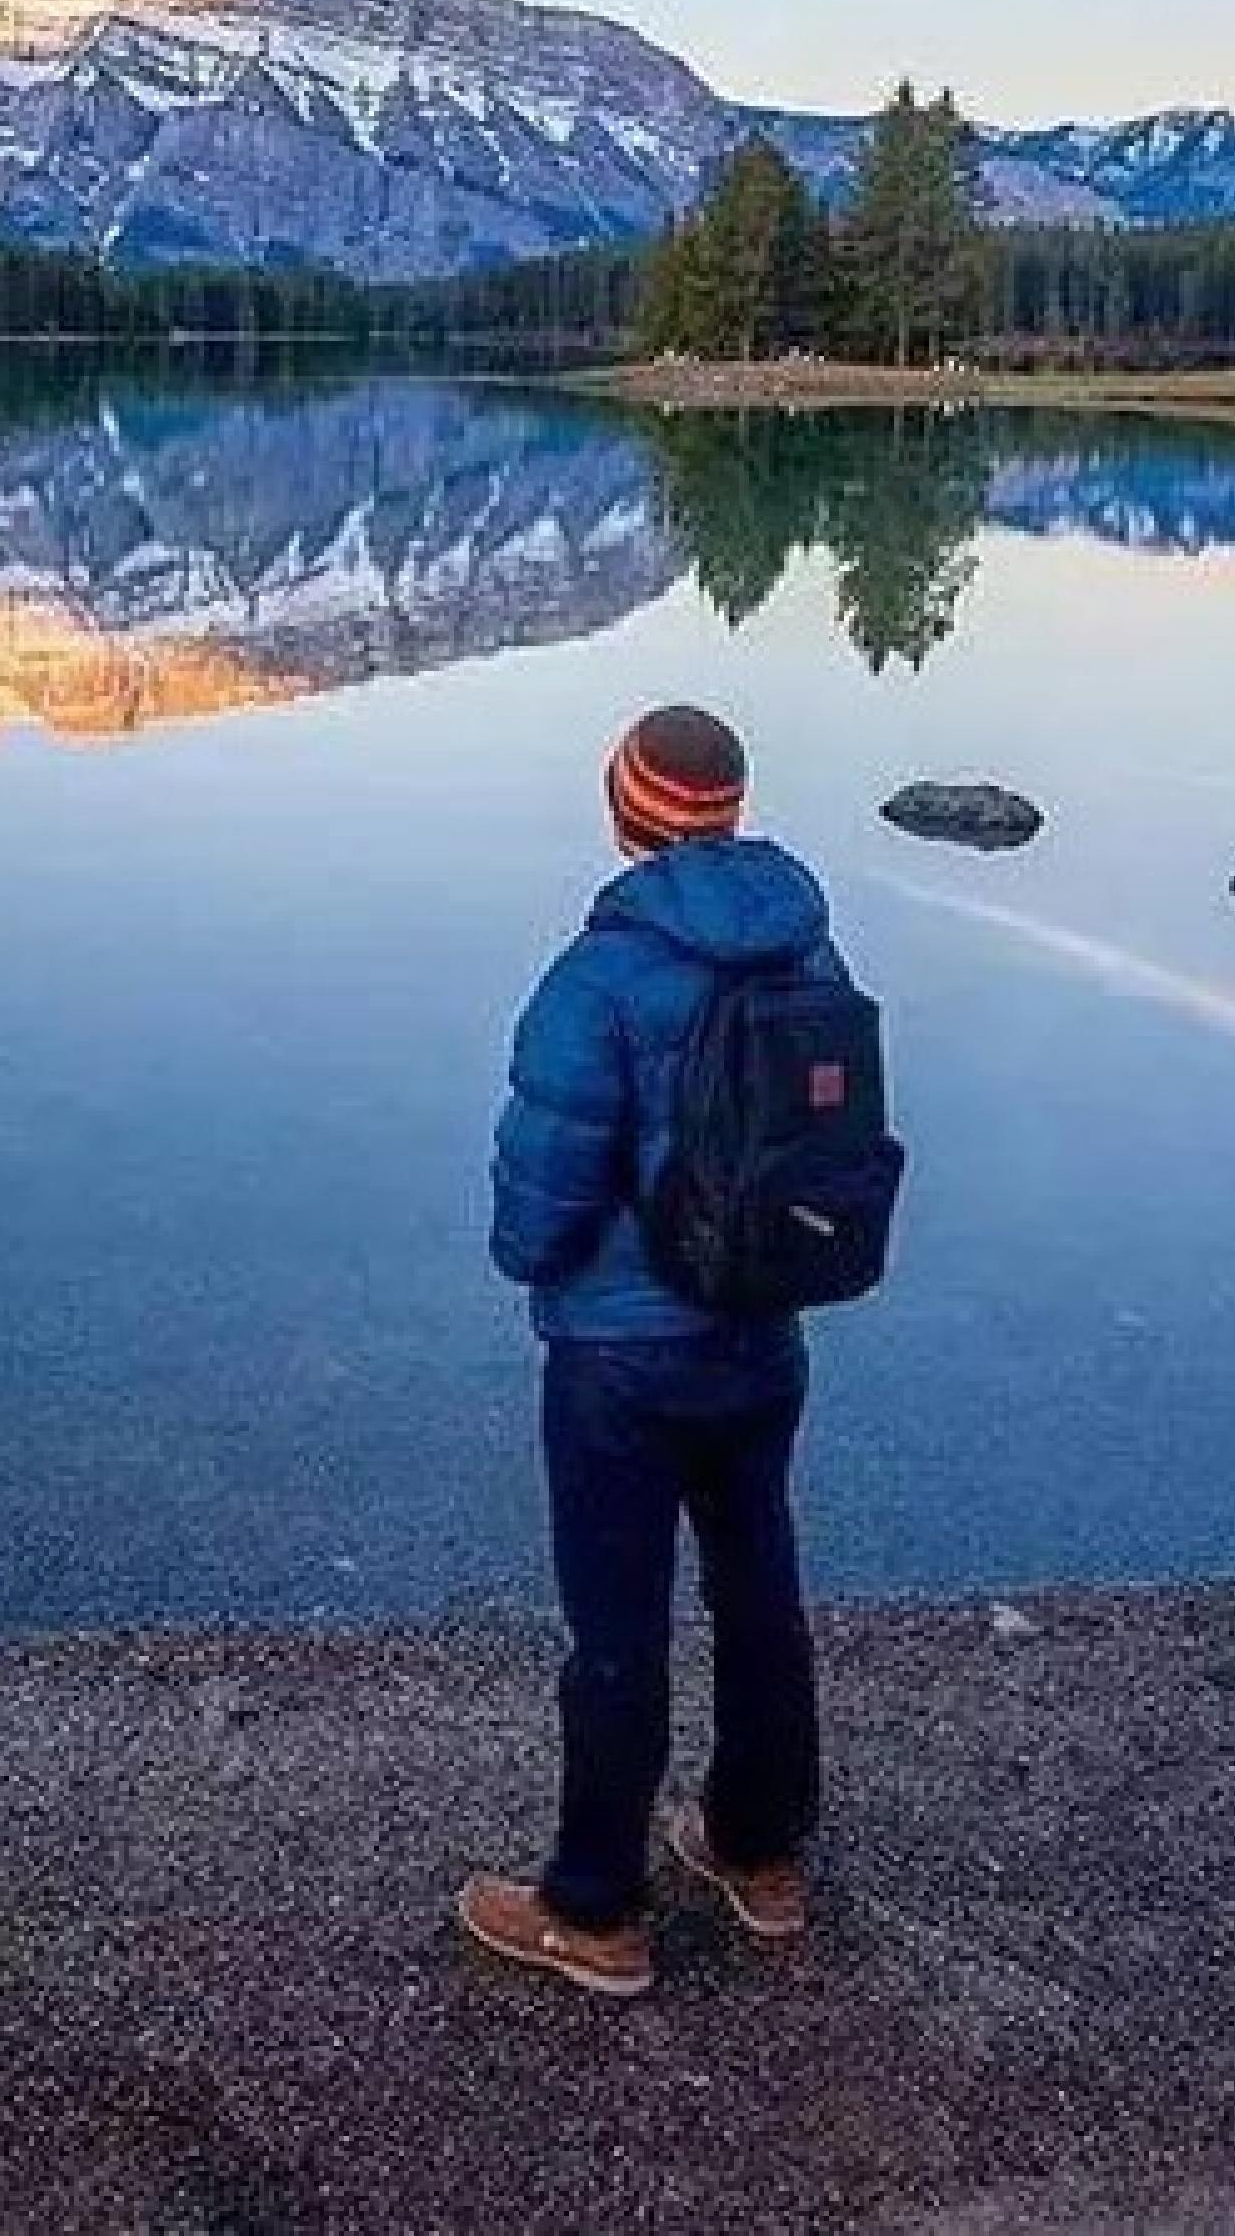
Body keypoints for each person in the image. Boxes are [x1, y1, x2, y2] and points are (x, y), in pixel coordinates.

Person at [457, 702, 838, 1999]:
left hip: (620, 1359)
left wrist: (531, 1261)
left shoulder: (597, 978)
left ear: (628, 812)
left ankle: (596, 1911)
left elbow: (542, 1193)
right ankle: (758, 1852)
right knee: (758, 1594)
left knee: (616, 1629)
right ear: (727, 813)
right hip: (762, 1335)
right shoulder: (809, 948)